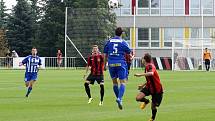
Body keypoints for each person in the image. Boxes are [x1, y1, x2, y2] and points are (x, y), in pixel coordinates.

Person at [104, 27, 131, 110]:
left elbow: (105, 54)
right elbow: (129, 51)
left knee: (115, 83)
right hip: (120, 63)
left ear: (115, 33)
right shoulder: (123, 42)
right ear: (121, 33)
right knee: (123, 82)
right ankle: (119, 98)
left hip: (111, 64)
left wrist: (105, 65)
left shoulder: (109, 42)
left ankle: (119, 99)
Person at [134, 53, 163, 121]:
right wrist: (142, 85)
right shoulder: (147, 67)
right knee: (138, 98)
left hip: (157, 89)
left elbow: (151, 73)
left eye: (143, 58)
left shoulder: (150, 66)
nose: (142, 59)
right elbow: (150, 79)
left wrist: (140, 75)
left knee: (153, 107)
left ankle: (152, 119)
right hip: (149, 87)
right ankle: (146, 101)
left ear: (145, 59)